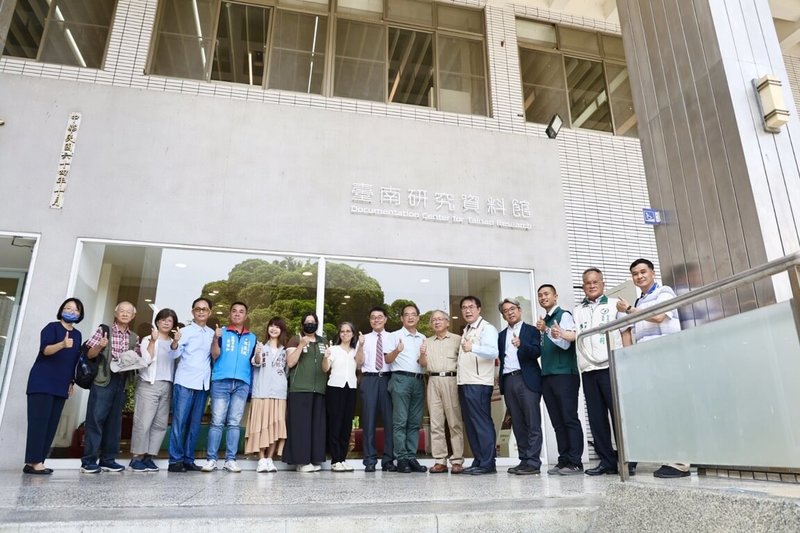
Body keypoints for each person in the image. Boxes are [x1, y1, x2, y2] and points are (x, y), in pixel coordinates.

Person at [617, 258, 687, 479]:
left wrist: (628, 309)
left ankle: (680, 462)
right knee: (661, 411)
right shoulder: (640, 299)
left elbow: (658, 316)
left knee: (674, 408)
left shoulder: (665, 292)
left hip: (668, 356)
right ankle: (669, 459)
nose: (639, 276)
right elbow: (633, 332)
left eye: (643, 272)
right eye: (635, 274)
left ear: (653, 272)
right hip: (649, 362)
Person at [559, 269, 630, 476]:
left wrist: (626, 361)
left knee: (618, 415)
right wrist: (559, 333)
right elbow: (574, 335)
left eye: (595, 282)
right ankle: (607, 461)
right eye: (587, 283)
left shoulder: (614, 303)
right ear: (583, 286)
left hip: (611, 366)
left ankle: (628, 460)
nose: (591, 285)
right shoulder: (577, 310)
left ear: (602, 283)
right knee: (597, 418)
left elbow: (626, 331)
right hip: (588, 369)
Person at [24, 298, 85, 474]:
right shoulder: (51, 327)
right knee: (39, 423)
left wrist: (71, 382)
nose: (71, 312)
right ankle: (35, 462)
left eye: (75, 310)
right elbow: (45, 350)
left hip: (61, 384)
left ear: (80, 314)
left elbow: (73, 361)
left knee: (51, 424)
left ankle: (36, 462)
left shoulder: (78, 334)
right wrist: (62, 344)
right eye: (68, 308)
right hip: (42, 382)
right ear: (61, 310)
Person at [81, 301, 141, 473]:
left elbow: (136, 359)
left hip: (121, 381)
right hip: (102, 380)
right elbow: (89, 354)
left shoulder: (134, 337)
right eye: (121, 311)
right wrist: (101, 345)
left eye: (128, 312)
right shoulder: (104, 330)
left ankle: (108, 459)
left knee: (114, 423)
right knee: (96, 419)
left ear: (133, 316)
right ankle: (88, 461)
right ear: (116, 313)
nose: (124, 314)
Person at [534, 285, 585, 476]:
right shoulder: (544, 321)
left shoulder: (564, 315)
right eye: (540, 295)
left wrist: (547, 330)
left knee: (569, 418)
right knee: (557, 421)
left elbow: (565, 344)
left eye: (546, 294)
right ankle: (563, 459)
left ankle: (575, 462)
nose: (543, 297)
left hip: (565, 374)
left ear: (555, 296)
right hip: (547, 376)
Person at [202, 302, 257, 473]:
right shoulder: (222, 332)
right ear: (230, 314)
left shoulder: (253, 337)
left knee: (234, 423)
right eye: (234, 311)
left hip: (241, 382)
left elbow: (254, 361)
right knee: (217, 421)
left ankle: (230, 460)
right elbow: (215, 355)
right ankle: (212, 459)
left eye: (241, 312)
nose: (237, 314)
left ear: (246, 316)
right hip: (221, 381)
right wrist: (215, 339)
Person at [129, 308, 181, 472]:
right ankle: (136, 457)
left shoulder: (174, 342)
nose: (166, 322)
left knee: (159, 424)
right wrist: (152, 341)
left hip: (167, 386)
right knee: (143, 422)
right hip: (149, 385)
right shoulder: (147, 339)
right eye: (163, 319)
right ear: (157, 322)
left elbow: (176, 358)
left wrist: (175, 343)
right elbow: (146, 360)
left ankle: (149, 457)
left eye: (170, 320)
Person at [168, 297, 215, 473]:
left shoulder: (212, 333)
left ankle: (188, 459)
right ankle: (175, 460)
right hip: (185, 382)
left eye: (204, 309)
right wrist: (175, 341)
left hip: (203, 384)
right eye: (198, 309)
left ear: (209, 312)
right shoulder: (185, 331)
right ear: (192, 312)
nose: (201, 311)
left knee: (194, 424)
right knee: (180, 423)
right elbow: (174, 354)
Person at [498, 297, 543, 476]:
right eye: (505, 311)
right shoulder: (501, 335)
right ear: (503, 316)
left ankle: (533, 461)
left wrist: (521, 345)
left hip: (527, 379)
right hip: (509, 380)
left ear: (519, 310)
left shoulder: (531, 330)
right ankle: (524, 460)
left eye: (512, 309)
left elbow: (537, 351)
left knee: (532, 422)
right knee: (517, 422)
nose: (510, 312)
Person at [457, 296, 499, 475]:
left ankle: (488, 463)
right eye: (464, 308)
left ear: (479, 309)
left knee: (481, 423)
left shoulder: (487, 328)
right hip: (465, 382)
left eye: (471, 307)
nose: (468, 310)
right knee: (471, 424)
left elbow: (493, 352)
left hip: (479, 383)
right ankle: (479, 460)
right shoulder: (466, 330)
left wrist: (472, 348)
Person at [419, 310, 464, 474]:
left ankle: (457, 460)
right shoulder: (427, 341)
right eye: (433, 320)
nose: (436, 322)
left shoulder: (457, 340)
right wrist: (423, 353)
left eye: (440, 319)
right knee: (436, 422)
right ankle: (440, 460)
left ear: (447, 322)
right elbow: (423, 364)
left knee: (454, 422)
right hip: (432, 380)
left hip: (451, 380)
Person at [355, 306, 398, 472]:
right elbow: (359, 362)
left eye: (380, 317)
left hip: (388, 379)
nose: (376, 319)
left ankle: (388, 460)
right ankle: (370, 460)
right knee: (369, 420)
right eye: (373, 317)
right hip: (370, 379)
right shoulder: (363, 338)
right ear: (369, 320)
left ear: (386, 319)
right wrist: (360, 346)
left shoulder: (393, 338)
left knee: (389, 421)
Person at [283, 312, 328, 472]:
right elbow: (290, 362)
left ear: (317, 323)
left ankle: (314, 459)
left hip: (319, 390)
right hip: (300, 389)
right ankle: (301, 462)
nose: (310, 324)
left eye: (313, 321)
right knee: (300, 427)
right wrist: (301, 345)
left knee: (316, 427)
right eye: (307, 322)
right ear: (303, 324)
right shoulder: (296, 339)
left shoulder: (323, 341)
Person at [386, 303, 427, 473]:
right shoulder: (394, 336)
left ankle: (411, 457)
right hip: (400, 379)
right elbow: (388, 360)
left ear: (418, 317)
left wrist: (423, 354)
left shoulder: (423, 337)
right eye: (406, 314)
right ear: (401, 318)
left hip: (418, 380)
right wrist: (397, 350)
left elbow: (423, 364)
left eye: (413, 314)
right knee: (400, 421)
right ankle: (401, 458)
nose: (410, 317)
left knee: (415, 422)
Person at [246, 316, 289, 473]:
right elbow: (256, 362)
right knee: (260, 426)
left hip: (279, 394)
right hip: (261, 392)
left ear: (281, 330)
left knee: (275, 427)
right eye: (271, 326)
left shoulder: (284, 351)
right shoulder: (260, 347)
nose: (273, 329)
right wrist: (257, 353)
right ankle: (261, 458)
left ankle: (270, 459)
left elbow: (287, 371)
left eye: (277, 326)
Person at [322, 321, 358, 472]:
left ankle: (342, 458)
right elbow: (325, 369)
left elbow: (361, 365)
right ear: (339, 334)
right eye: (342, 331)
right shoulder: (333, 349)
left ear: (353, 334)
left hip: (351, 388)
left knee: (346, 425)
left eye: (348, 331)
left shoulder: (356, 351)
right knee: (335, 424)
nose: (345, 334)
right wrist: (325, 357)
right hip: (335, 388)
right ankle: (335, 460)